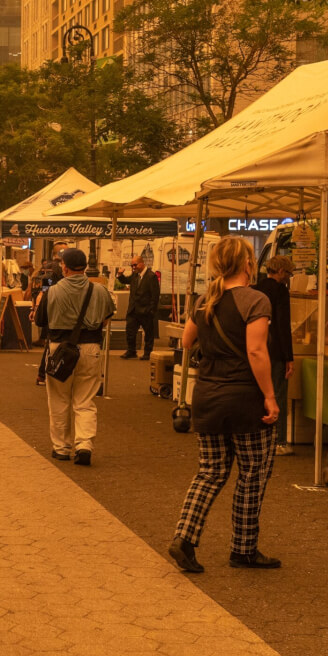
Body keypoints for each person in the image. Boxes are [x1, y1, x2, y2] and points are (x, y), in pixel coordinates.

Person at [169, 237, 281, 573]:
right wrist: (271, 398)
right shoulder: (255, 300)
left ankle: (184, 538)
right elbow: (256, 352)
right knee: (252, 473)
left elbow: (187, 341)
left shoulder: (206, 300)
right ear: (248, 264)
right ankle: (243, 549)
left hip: (208, 397)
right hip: (245, 400)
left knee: (210, 472)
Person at [33, 248, 115, 465]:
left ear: (65, 267)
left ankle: (61, 448)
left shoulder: (52, 291)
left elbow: (40, 322)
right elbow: (107, 318)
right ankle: (84, 445)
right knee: (85, 400)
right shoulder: (99, 290)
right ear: (86, 267)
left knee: (59, 399)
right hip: (90, 348)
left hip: (60, 348)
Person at [255, 255, 295, 455]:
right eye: (288, 273)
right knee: (278, 392)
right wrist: (289, 356)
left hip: (258, 347)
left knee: (260, 392)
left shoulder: (256, 288)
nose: (288, 277)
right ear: (281, 272)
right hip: (277, 350)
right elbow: (283, 325)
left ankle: (259, 438)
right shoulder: (281, 291)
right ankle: (279, 441)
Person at [119, 255, 160, 359]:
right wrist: (120, 274)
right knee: (130, 331)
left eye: (135, 265)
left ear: (142, 263)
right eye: (132, 265)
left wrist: (151, 310)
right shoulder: (135, 275)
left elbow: (155, 295)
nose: (133, 267)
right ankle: (131, 351)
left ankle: (147, 353)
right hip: (133, 310)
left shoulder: (151, 276)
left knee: (148, 333)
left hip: (145, 310)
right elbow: (125, 280)